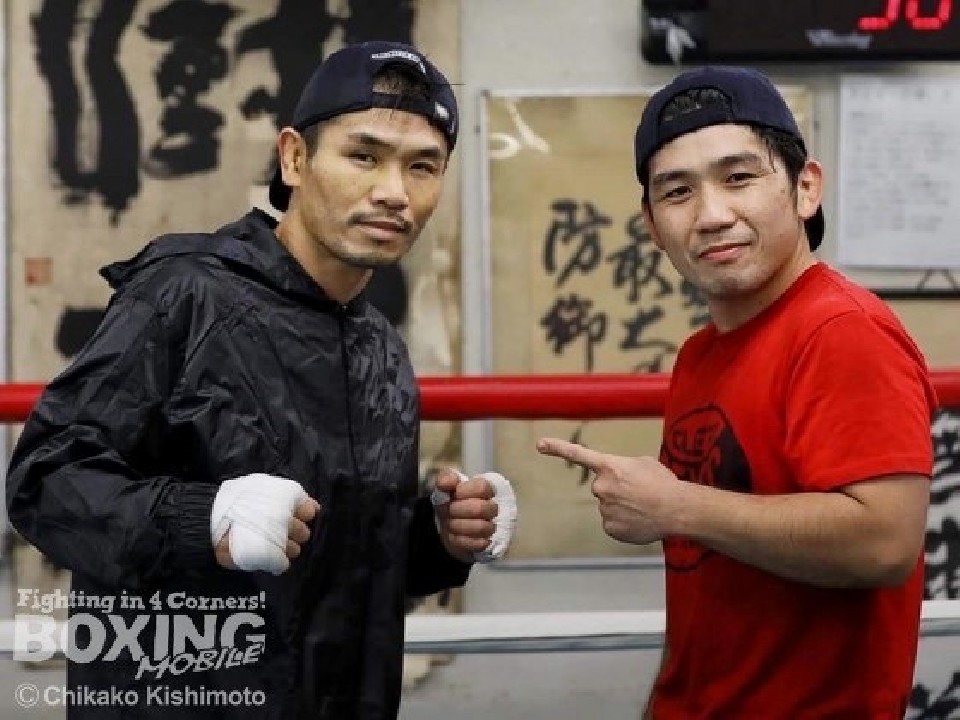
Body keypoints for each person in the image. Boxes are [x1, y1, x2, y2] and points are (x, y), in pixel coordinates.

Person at [7, 40, 516, 720]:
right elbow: (45, 480)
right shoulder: (184, 293)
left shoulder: (381, 349)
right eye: (364, 156)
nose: (394, 192)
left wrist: (440, 539)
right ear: (294, 159)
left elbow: (349, 569)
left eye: (422, 166)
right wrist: (202, 519)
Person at [538, 66, 937, 719]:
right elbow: (707, 588)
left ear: (805, 188)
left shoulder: (841, 330)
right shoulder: (703, 353)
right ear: (651, 225)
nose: (711, 215)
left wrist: (676, 507)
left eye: (739, 178)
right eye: (677, 192)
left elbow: (883, 542)